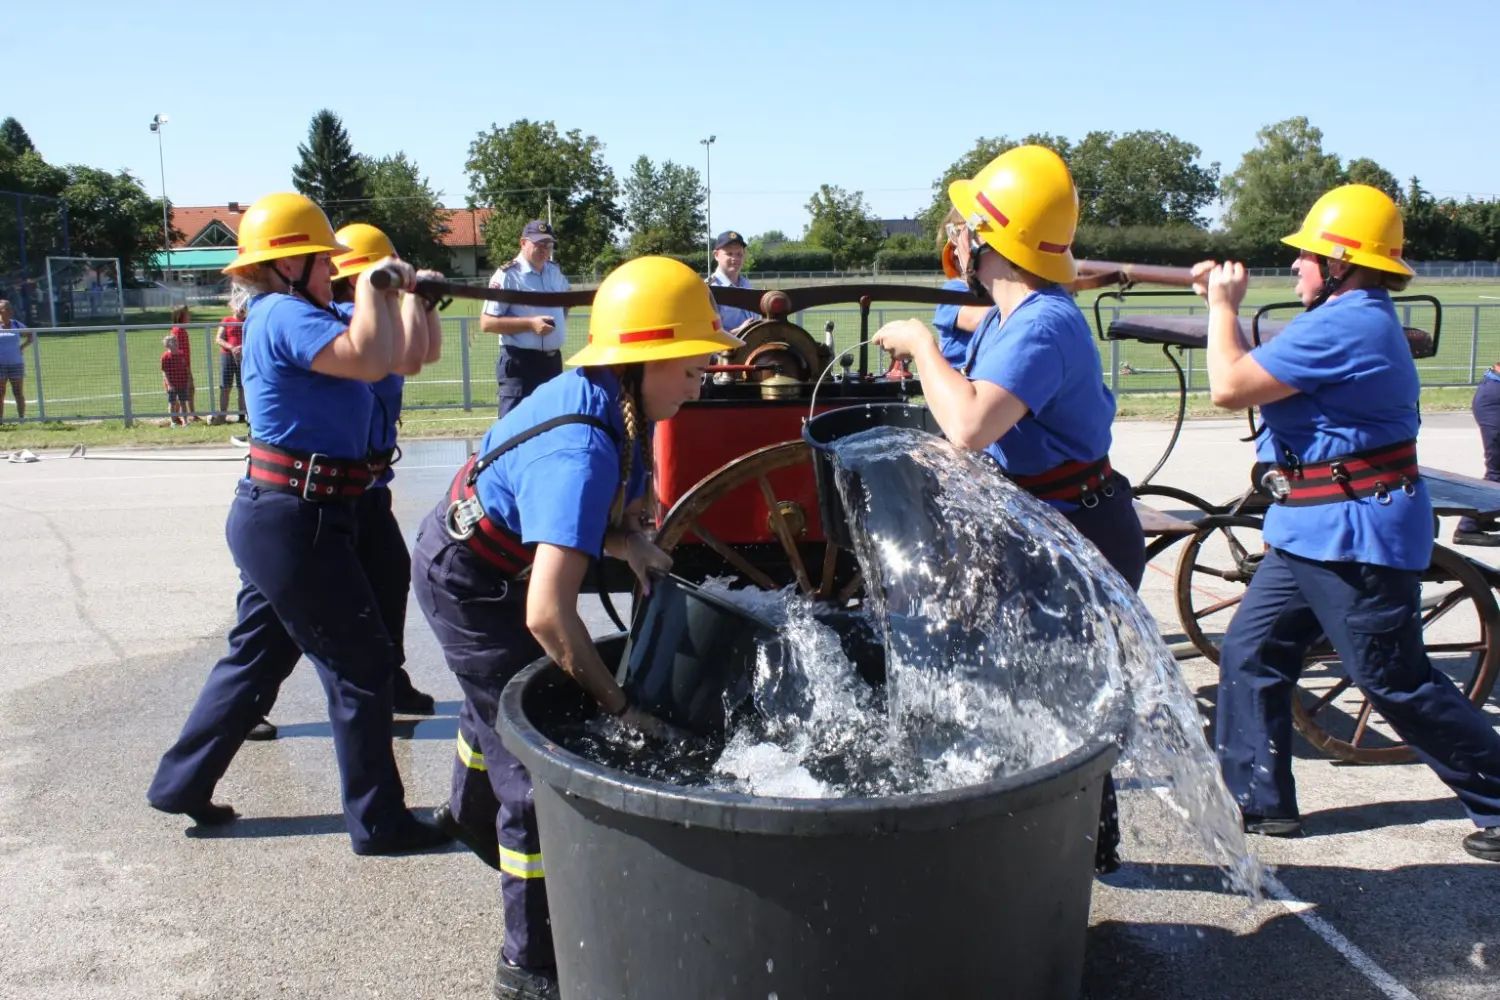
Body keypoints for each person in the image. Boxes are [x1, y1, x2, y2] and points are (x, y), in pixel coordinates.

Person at [413, 255, 740, 1000]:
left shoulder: (613, 405)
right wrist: (617, 705)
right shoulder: (585, 448)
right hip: (466, 576)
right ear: (644, 361)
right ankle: (526, 964)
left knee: (487, 704)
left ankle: (467, 817)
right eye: (691, 367)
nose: (700, 382)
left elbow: (594, 522)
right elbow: (548, 616)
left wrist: (628, 542)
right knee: (529, 773)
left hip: (497, 558)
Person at [1196, 184, 1500, 863]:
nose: (1297, 266)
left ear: (1341, 262)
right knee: (1252, 651)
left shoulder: (1350, 321)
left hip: (1356, 530)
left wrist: (1221, 307)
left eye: (1306, 255)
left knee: (1393, 679)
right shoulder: (1343, 314)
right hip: (1311, 526)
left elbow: (1228, 386)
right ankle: (1257, 801)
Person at [146, 192, 448, 857]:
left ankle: (181, 783)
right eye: (323, 259)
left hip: (295, 516)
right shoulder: (282, 312)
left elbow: (402, 358)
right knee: (362, 666)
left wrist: (417, 300)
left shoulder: (303, 308)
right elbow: (370, 361)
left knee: (257, 654)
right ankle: (380, 823)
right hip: (294, 518)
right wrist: (376, 284)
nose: (333, 269)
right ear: (291, 265)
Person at [873, 145, 1144, 875]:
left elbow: (968, 426)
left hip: (1075, 530)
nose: (954, 239)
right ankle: (1062, 843)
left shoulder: (1043, 326)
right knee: (1018, 685)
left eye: (964, 227)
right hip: (1044, 526)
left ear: (990, 240)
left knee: (1057, 695)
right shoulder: (1010, 313)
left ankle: (1078, 849)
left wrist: (921, 343)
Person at [242, 222, 440, 742]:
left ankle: (387, 681)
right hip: (320, 494)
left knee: (385, 583)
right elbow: (380, 359)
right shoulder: (344, 319)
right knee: (275, 630)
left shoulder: (359, 316)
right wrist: (398, 300)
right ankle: (244, 707)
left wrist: (423, 303)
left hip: (359, 487)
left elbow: (417, 357)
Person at [480, 219, 570, 418]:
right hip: (520, 364)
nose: (544, 249)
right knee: (513, 430)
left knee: (550, 426)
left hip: (552, 363)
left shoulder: (553, 271)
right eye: (538, 243)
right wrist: (530, 324)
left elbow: (567, 299)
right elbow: (487, 322)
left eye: (548, 244)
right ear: (523, 243)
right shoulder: (507, 275)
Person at [1453, 362, 1500, 545]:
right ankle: (1467, 528)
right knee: (1497, 471)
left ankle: (1484, 516)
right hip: (1494, 400)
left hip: (1493, 393)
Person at [706, 230, 759, 334]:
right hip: (725, 349)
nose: (735, 258)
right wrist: (739, 332)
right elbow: (707, 335)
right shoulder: (709, 289)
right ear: (716, 255)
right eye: (729, 254)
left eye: (739, 254)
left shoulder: (746, 285)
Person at [213, 301, 247, 426]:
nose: (241, 309)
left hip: (243, 356)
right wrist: (232, 348)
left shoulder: (248, 321)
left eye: (243, 307)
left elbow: (253, 338)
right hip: (227, 356)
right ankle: (222, 415)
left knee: (242, 386)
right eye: (239, 306)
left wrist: (241, 348)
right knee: (225, 386)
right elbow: (218, 338)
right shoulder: (226, 320)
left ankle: (242, 415)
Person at [0, 299, 33, 422]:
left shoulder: (16, 324)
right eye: (6, 309)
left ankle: (21, 419)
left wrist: (22, 347)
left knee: (18, 392)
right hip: (0, 364)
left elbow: (31, 335)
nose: (9, 311)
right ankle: (1, 421)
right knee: (0, 394)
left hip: (16, 364)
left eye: (10, 308)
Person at [167, 304, 200, 421]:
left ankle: (189, 415)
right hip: (181, 366)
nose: (189, 316)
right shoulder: (178, 330)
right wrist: (184, 367)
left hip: (184, 364)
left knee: (189, 389)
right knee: (185, 390)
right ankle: (181, 417)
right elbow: (177, 350)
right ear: (181, 315)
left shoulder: (180, 330)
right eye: (187, 314)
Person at [160, 334, 192, 425]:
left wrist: (188, 380)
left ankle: (185, 421)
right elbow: (165, 372)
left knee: (183, 402)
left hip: (182, 383)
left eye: (176, 341)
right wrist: (169, 385)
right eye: (173, 341)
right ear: (167, 345)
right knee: (172, 402)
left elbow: (186, 368)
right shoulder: (165, 357)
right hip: (172, 385)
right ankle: (173, 421)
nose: (176, 343)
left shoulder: (182, 354)